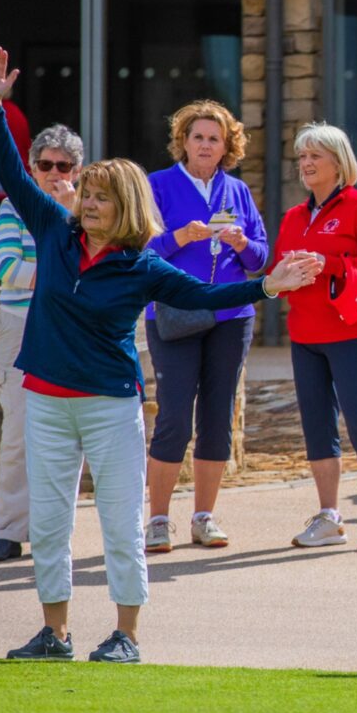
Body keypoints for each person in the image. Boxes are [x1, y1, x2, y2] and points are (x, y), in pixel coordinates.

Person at [0, 47, 314, 665]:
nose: (89, 203)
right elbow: (12, 173)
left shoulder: (142, 265)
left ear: (126, 205)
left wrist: (270, 285)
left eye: (102, 196)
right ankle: (55, 634)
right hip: (46, 399)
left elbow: (210, 294)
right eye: (88, 195)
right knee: (50, 524)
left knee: (122, 523)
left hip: (108, 406)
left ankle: (126, 635)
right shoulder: (54, 230)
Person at [142, 100, 268, 554]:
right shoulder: (157, 186)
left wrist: (243, 242)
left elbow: (261, 259)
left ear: (226, 146)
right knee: (174, 416)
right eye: (198, 136)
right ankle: (157, 519)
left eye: (215, 138)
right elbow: (140, 251)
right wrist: (182, 237)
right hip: (174, 314)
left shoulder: (237, 191)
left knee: (216, 417)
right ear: (184, 141)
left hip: (231, 317)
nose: (206, 145)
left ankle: (204, 517)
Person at [273, 124, 357, 552]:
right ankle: (329, 517)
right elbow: (279, 272)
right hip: (306, 333)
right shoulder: (293, 217)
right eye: (302, 157)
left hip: (355, 330)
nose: (306, 164)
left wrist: (329, 262)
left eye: (315, 156)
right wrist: (282, 278)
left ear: (338, 162)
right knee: (316, 425)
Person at [0, 123, 84, 563]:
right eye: (45, 164)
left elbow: (95, 268)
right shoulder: (13, 206)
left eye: (63, 165)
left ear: (78, 170)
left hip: (69, 331)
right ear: (31, 166)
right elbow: (7, 267)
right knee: (19, 432)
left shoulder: (89, 214)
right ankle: (7, 529)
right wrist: (61, 278)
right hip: (21, 326)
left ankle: (53, 531)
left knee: (69, 434)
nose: (53, 173)